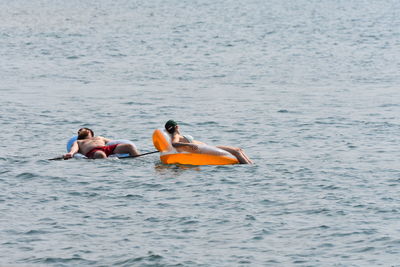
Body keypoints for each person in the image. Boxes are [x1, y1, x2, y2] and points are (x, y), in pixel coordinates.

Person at [164, 120, 253, 164]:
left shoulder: (176, 135)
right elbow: (174, 144)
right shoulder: (176, 136)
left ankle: (251, 165)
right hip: (203, 150)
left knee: (239, 150)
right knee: (237, 151)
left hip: (206, 148)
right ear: (177, 127)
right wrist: (189, 144)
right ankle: (249, 169)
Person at [63, 128, 140, 159]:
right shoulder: (78, 141)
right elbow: (74, 149)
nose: (80, 131)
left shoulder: (100, 137)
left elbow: (113, 142)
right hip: (93, 152)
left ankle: (139, 160)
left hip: (106, 149)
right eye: (79, 131)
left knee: (129, 146)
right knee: (100, 154)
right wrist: (70, 153)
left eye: (83, 130)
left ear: (90, 132)